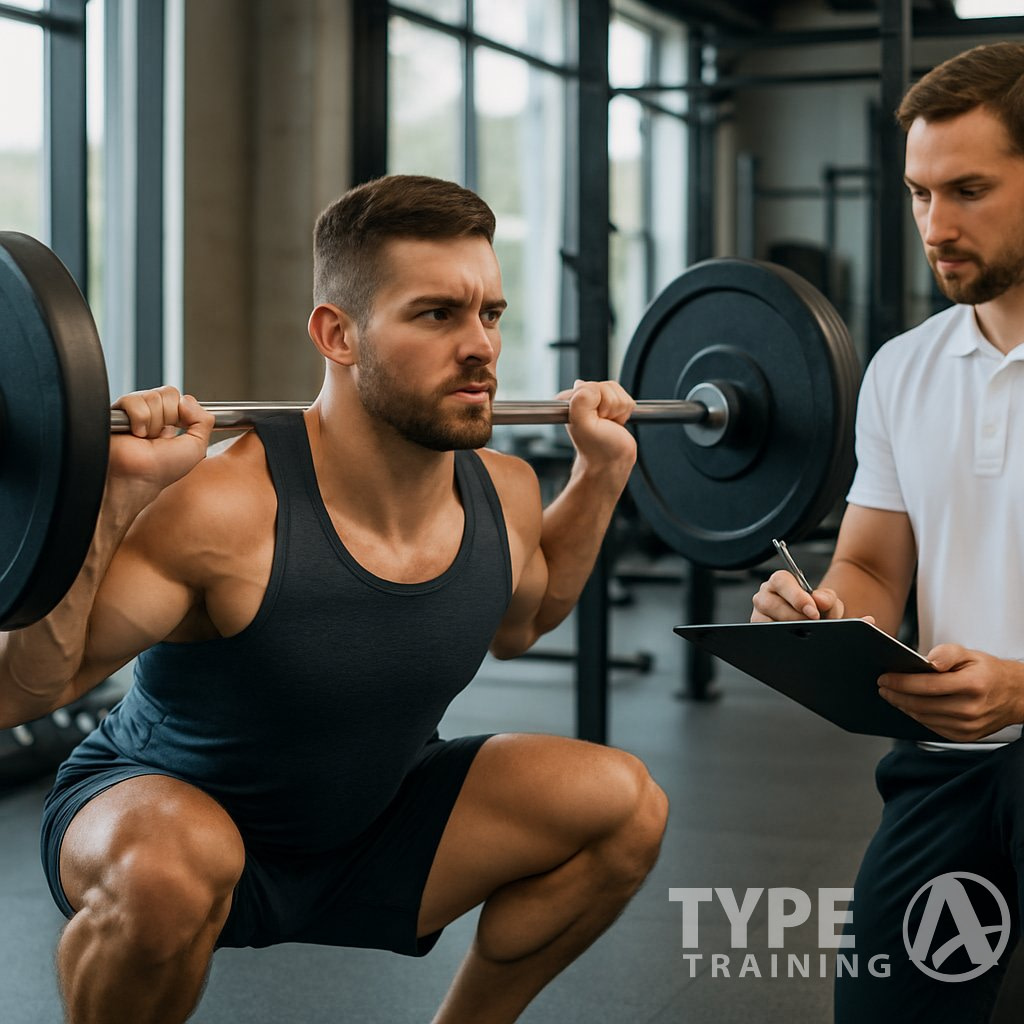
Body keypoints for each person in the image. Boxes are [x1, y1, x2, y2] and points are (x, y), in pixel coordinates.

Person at [0, 174, 669, 1024]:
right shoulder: (223, 510)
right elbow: (21, 692)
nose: (482, 348)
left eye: (490, 314)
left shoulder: (505, 492)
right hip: (165, 821)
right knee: (172, 870)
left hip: (373, 824)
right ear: (338, 334)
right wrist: (113, 504)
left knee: (623, 803)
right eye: (438, 314)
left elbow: (524, 623)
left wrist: (602, 475)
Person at [751, 42, 1024, 1021]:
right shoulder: (903, 370)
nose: (933, 226)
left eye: (967, 190)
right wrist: (828, 612)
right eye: (917, 194)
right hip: (945, 761)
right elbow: (871, 561)